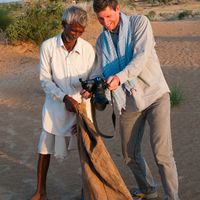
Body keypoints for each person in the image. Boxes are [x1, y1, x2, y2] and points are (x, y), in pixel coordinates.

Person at [83, 0, 180, 199]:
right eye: (101, 19)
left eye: (109, 16)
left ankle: (173, 197)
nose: (106, 22)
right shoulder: (102, 41)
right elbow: (101, 68)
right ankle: (148, 189)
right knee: (129, 155)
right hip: (128, 102)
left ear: (118, 9)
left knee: (162, 154)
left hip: (155, 95)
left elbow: (141, 58)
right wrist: (91, 86)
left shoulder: (140, 23)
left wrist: (119, 77)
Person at [31, 6, 95, 200]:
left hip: (81, 109)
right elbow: (45, 80)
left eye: (80, 32)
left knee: (86, 153)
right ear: (63, 25)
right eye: (72, 30)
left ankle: (87, 192)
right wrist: (64, 98)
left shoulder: (87, 50)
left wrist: (88, 90)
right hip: (55, 108)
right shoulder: (48, 47)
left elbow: (92, 79)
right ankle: (40, 192)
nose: (75, 35)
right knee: (44, 150)